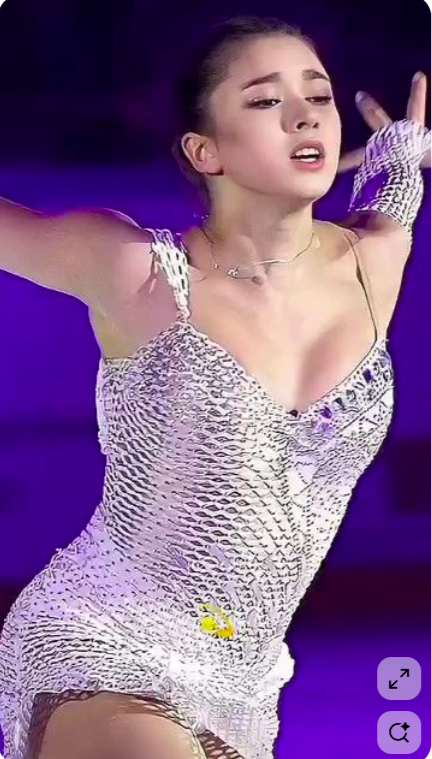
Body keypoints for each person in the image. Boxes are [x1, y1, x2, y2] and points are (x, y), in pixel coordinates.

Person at [0, 14, 430, 759]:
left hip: (245, 685)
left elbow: (398, 192)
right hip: (100, 639)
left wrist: (401, 149)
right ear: (206, 150)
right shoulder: (136, 270)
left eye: (318, 96)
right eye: (265, 101)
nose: (304, 116)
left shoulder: (374, 262)